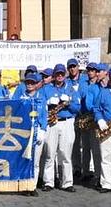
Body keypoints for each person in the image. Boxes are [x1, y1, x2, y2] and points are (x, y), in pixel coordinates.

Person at [41, 63, 78, 192]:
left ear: (65, 75)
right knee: (49, 153)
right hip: (52, 122)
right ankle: (48, 182)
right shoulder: (46, 89)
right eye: (58, 74)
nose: (60, 76)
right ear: (54, 75)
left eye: (62, 74)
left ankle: (67, 183)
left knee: (66, 154)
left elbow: (77, 108)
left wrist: (69, 104)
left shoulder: (71, 89)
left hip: (66, 121)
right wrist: (47, 103)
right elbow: (40, 104)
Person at [17, 70, 48, 197]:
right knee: (24, 159)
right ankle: (23, 185)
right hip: (23, 131)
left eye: (32, 83)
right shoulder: (20, 97)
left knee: (35, 161)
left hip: (37, 130)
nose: (30, 85)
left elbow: (44, 115)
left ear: (36, 84)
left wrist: (43, 130)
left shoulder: (41, 97)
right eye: (28, 82)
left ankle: (32, 186)